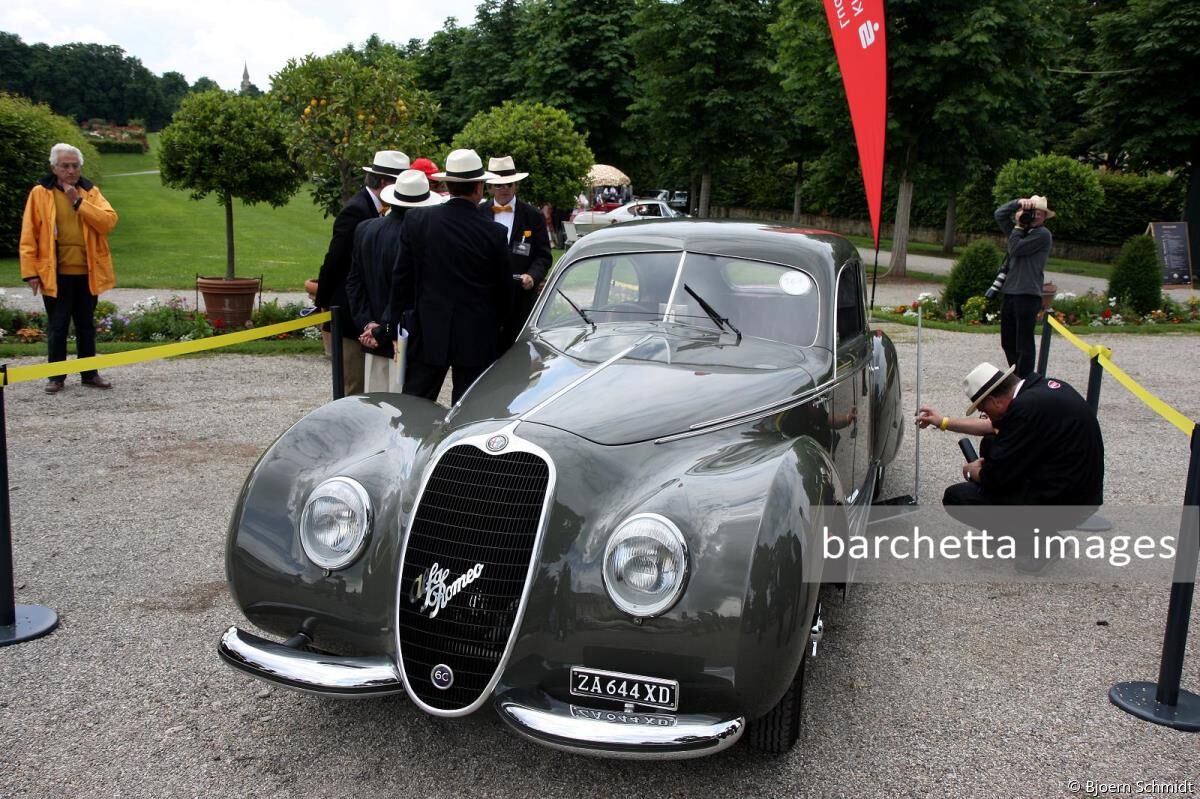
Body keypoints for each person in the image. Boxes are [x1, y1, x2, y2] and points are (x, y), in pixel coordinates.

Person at [916, 361, 1104, 572]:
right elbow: (992, 428)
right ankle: (1011, 534)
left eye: (982, 409)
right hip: (1076, 490)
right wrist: (943, 422)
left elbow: (995, 478)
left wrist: (974, 471)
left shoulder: (1024, 409)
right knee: (990, 442)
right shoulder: (1038, 392)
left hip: (1066, 504)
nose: (984, 415)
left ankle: (1043, 543)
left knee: (958, 498)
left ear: (994, 401)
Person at [378, 149, 512, 404]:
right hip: (475, 331)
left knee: (415, 403)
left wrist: (394, 323)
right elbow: (504, 290)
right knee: (468, 407)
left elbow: (401, 279)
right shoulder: (493, 232)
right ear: (479, 188)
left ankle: (411, 443)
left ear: (448, 185)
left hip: (428, 327)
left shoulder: (418, 220)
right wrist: (498, 326)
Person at [20, 143, 119, 394]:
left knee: (86, 325)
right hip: (56, 273)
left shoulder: (89, 191)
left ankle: (89, 374)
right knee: (58, 326)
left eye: (75, 166)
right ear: (54, 167)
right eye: (65, 166)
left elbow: (108, 222)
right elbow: (29, 234)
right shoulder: (40, 193)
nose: (71, 170)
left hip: (87, 272)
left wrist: (78, 202)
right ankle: (56, 377)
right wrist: (30, 272)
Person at [315, 150, 408, 395]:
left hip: (377, 314)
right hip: (350, 311)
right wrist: (322, 300)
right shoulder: (356, 211)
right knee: (353, 383)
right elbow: (335, 261)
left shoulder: (385, 212)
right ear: (385, 183)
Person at [346, 169, 443, 392]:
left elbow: (354, 283)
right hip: (410, 339)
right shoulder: (422, 238)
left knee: (376, 403)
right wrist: (382, 328)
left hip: (374, 336)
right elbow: (411, 290)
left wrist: (368, 323)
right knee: (405, 412)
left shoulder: (365, 229)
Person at [480, 156, 552, 349]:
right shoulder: (478, 213)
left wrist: (533, 276)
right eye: (498, 185)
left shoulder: (532, 215)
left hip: (520, 298)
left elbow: (543, 255)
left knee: (518, 355)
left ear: (516, 186)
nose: (504, 189)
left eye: (508, 184)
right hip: (486, 297)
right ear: (490, 187)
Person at [994, 195, 1054, 378]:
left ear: (1044, 216)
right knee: (1008, 340)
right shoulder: (1018, 232)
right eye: (1031, 212)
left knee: (1024, 343)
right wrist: (1018, 203)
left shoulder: (1043, 234)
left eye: (1039, 213)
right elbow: (999, 214)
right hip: (1011, 292)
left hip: (1028, 294)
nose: (1034, 216)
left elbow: (1016, 249)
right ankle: (1017, 374)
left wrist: (1018, 226)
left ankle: (1025, 378)